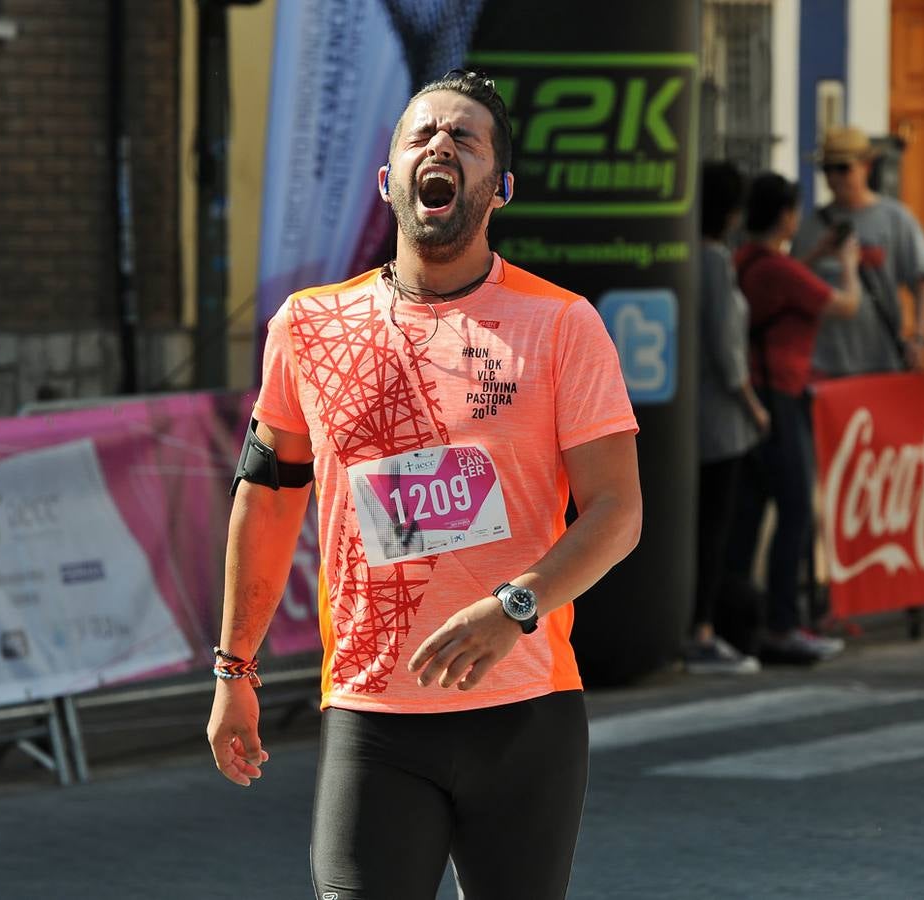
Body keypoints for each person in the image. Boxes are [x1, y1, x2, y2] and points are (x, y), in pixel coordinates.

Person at [205, 69, 641, 900]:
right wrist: (235, 670)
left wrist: (516, 606)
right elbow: (266, 499)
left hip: (525, 715)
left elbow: (617, 513)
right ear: (388, 180)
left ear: (499, 188)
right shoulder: (307, 327)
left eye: (465, 139)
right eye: (421, 136)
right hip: (374, 714)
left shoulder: (561, 324)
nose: (440, 144)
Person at [726, 173, 859, 664]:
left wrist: (816, 253)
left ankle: (741, 624)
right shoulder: (778, 270)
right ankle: (784, 625)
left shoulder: (747, 263)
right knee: (797, 511)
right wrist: (845, 265)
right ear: (787, 216)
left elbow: (780, 283)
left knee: (750, 515)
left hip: (753, 400)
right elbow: (846, 306)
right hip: (781, 397)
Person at [685, 161, 769, 675]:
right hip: (718, 423)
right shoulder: (715, 261)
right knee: (715, 529)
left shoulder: (685, 255)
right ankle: (702, 629)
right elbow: (729, 351)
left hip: (690, 418)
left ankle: (697, 624)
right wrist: (756, 409)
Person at [793, 125, 924, 376]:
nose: (834, 178)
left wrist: (919, 337)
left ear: (867, 166)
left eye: (843, 168)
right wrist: (818, 253)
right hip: (823, 363)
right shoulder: (812, 225)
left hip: (879, 360)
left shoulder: (895, 219)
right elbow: (793, 281)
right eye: (827, 169)